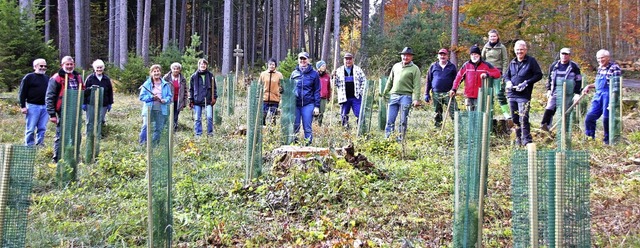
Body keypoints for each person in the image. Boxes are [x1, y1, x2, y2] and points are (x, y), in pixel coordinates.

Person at [45, 56, 84, 162]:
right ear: (62, 65)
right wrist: (52, 114)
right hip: (63, 109)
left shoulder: (78, 77)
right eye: (67, 64)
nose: (69, 66)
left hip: (75, 110)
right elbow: (50, 96)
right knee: (61, 134)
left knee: (76, 133)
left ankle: (74, 156)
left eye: (71, 64)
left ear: (74, 65)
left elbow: (82, 91)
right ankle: (57, 158)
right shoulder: (56, 78)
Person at [504, 40, 543, 146]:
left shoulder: (531, 61)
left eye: (521, 49)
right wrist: (508, 82)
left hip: (524, 95)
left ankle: (526, 140)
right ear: (514, 50)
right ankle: (518, 139)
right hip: (512, 95)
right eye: (517, 50)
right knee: (515, 118)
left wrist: (527, 82)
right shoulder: (512, 62)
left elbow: (539, 75)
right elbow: (506, 75)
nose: (519, 52)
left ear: (525, 50)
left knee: (524, 117)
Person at [582, 49, 622, 144]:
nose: (600, 60)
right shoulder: (600, 68)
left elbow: (616, 87)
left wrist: (612, 101)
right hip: (598, 95)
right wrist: (589, 86)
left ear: (608, 58)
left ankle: (608, 140)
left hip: (609, 95)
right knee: (590, 117)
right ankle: (590, 138)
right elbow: (598, 84)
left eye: (602, 58)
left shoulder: (614, 68)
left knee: (606, 118)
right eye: (598, 58)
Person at [382, 47, 422, 141]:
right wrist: (385, 92)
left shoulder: (415, 69)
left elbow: (417, 85)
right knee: (390, 119)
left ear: (411, 57)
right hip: (394, 95)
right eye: (404, 55)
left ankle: (401, 139)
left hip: (406, 96)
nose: (406, 57)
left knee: (403, 120)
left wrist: (416, 99)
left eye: (408, 55)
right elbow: (390, 80)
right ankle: (388, 139)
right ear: (401, 56)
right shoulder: (396, 66)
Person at [540, 48, 582, 131]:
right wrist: (548, 90)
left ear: (569, 56)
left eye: (566, 54)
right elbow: (549, 79)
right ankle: (545, 128)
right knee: (549, 109)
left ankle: (564, 131)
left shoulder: (574, 66)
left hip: (568, 93)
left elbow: (578, 80)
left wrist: (577, 93)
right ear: (560, 54)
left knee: (565, 112)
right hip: (555, 92)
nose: (564, 56)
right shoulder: (554, 66)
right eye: (563, 54)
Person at [449, 45, 501, 111]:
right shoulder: (466, 65)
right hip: (468, 96)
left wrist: (487, 74)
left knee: (479, 117)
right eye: (472, 54)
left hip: (481, 96)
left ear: (479, 55)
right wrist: (454, 89)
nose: (474, 56)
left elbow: (497, 73)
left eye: (476, 54)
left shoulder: (486, 65)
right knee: (470, 117)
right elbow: (458, 78)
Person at [290, 51, 320, 145]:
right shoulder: (294, 73)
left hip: (308, 104)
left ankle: (308, 146)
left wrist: (317, 106)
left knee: (307, 127)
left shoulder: (314, 74)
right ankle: (295, 146)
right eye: (301, 59)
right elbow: (290, 88)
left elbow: (317, 91)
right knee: (295, 126)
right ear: (298, 60)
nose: (302, 60)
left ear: (308, 60)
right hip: (295, 105)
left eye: (304, 59)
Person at [19, 58, 49, 147]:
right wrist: (23, 106)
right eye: (41, 66)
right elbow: (22, 92)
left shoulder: (47, 78)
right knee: (30, 128)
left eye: (45, 66)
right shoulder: (29, 77)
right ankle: (29, 145)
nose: (43, 68)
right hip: (32, 106)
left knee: (42, 128)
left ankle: (40, 144)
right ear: (35, 66)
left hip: (45, 107)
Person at [139, 64, 173, 144]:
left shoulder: (165, 84)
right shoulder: (147, 84)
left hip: (161, 109)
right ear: (151, 73)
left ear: (160, 72)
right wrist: (151, 97)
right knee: (146, 126)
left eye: (158, 71)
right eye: (154, 71)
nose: (156, 73)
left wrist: (165, 100)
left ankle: (154, 144)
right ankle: (143, 143)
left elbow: (169, 96)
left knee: (159, 127)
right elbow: (142, 97)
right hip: (149, 108)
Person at [481, 29, 511, 119]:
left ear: (497, 37)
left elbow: (505, 60)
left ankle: (506, 113)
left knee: (499, 93)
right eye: (491, 36)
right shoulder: (485, 47)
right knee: (488, 93)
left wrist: (504, 73)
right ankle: (490, 113)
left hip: (498, 72)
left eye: (494, 36)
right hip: (487, 73)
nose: (492, 38)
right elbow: (482, 59)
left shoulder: (501, 47)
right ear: (488, 37)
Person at [424, 49, 458, 127]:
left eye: (444, 55)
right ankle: (438, 129)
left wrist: (454, 89)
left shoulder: (452, 67)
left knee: (454, 111)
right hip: (436, 93)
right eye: (441, 55)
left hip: (448, 93)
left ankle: (456, 128)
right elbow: (428, 80)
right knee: (437, 113)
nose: (442, 56)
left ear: (447, 56)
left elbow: (456, 80)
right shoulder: (433, 66)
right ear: (438, 56)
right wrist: (426, 93)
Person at [334, 53, 367, 129]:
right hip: (344, 98)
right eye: (346, 59)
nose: (348, 61)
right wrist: (333, 77)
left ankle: (361, 130)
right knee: (344, 115)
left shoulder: (358, 70)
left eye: (350, 59)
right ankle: (345, 130)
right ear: (344, 60)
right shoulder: (338, 71)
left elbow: (364, 81)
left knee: (360, 114)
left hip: (356, 97)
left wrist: (361, 92)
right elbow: (335, 84)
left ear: (353, 60)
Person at [189, 58, 217, 137]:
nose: (203, 65)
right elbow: (191, 89)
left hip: (208, 100)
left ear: (206, 65)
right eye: (201, 64)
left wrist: (214, 98)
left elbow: (214, 88)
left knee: (209, 117)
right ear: (199, 65)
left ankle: (210, 134)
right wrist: (191, 100)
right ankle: (198, 134)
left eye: (204, 64)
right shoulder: (193, 77)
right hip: (197, 101)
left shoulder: (210, 76)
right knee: (197, 118)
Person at [83, 59, 114, 130]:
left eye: (101, 67)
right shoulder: (90, 78)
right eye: (97, 68)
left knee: (101, 120)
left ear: (103, 68)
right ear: (94, 68)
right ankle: (89, 136)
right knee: (90, 121)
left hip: (103, 104)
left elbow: (110, 92)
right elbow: (85, 91)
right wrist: (84, 103)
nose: (99, 69)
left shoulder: (106, 79)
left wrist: (110, 103)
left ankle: (99, 135)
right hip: (91, 104)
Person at [163, 62, 188, 131]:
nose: (176, 70)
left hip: (178, 100)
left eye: (177, 69)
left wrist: (185, 102)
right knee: (167, 114)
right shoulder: (166, 78)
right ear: (171, 69)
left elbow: (185, 91)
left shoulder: (182, 79)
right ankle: (166, 129)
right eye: (174, 69)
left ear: (180, 70)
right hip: (168, 100)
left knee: (175, 115)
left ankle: (174, 129)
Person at [260, 58, 284, 125]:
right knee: (263, 115)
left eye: (273, 64)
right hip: (264, 98)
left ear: (275, 66)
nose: (271, 66)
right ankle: (263, 130)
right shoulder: (263, 74)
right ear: (268, 65)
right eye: (270, 64)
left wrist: (280, 93)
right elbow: (260, 85)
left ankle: (272, 132)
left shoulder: (279, 75)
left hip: (275, 99)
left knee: (272, 117)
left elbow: (282, 86)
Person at [316, 60, 331, 126]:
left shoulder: (327, 76)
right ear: (319, 67)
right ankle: (313, 125)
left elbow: (328, 87)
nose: (324, 67)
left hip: (323, 97)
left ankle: (319, 124)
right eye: (322, 66)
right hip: (316, 96)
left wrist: (328, 96)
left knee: (321, 112)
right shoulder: (315, 75)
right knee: (314, 112)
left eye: (325, 65)